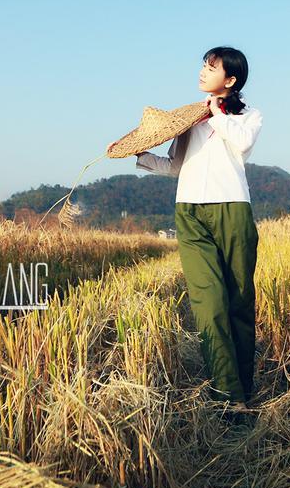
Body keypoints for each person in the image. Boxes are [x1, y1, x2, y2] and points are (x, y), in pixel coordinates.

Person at [109, 47, 263, 408]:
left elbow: (242, 144)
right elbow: (176, 166)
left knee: (239, 299)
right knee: (208, 303)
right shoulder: (188, 121)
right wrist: (139, 154)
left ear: (230, 79)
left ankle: (245, 386)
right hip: (189, 211)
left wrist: (214, 112)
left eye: (212, 68)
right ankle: (229, 397)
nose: (203, 72)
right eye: (203, 66)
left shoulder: (249, 116)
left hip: (233, 209)